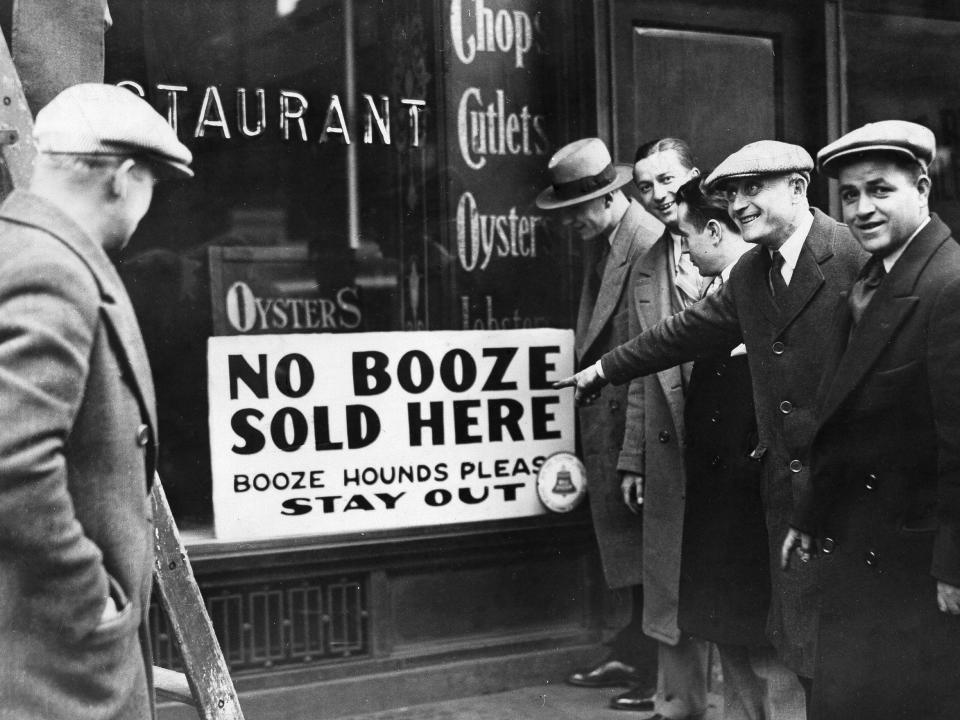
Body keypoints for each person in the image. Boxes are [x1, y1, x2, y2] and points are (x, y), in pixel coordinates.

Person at [556, 140, 868, 696]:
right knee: (801, 650)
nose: (740, 204)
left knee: (853, 653)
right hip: (787, 499)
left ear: (798, 189)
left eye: (754, 189)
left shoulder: (850, 255)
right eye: (733, 193)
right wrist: (603, 369)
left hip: (851, 497)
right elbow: (682, 332)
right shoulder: (752, 272)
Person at [0, 83, 192, 720]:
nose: (146, 208)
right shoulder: (51, 268)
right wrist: (94, 605)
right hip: (57, 666)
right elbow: (13, 461)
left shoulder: (24, 248)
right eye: (151, 187)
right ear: (124, 178)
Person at [781, 121, 960, 719]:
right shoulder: (872, 278)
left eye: (880, 190)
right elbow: (843, 416)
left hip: (917, 564)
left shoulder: (948, 284)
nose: (861, 209)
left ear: (923, 189)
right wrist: (811, 513)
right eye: (850, 195)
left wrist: (954, 569)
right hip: (861, 545)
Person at [674, 178, 805, 720]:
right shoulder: (717, 293)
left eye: (685, 238)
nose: (681, 252)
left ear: (713, 229)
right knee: (734, 652)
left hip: (755, 511)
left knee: (770, 657)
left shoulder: (767, 291)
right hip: (723, 516)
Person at [535, 137, 660, 697]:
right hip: (615, 424)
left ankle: (658, 673)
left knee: (651, 552)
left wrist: (634, 455)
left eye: (574, 210)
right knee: (632, 552)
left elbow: (653, 360)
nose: (569, 223)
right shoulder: (609, 240)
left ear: (609, 198)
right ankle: (634, 654)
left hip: (640, 427)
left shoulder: (648, 243)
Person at [603, 138, 710, 719]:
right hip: (673, 442)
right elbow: (640, 369)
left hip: (735, 438)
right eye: (645, 187)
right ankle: (678, 705)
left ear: (695, 175)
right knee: (669, 579)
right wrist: (633, 457)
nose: (659, 195)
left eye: (668, 179)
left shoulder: (737, 244)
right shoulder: (646, 266)